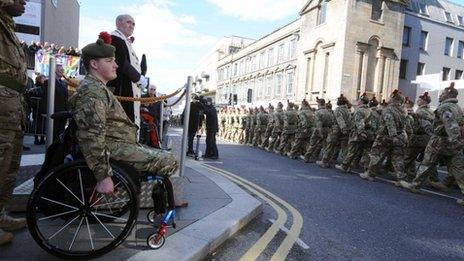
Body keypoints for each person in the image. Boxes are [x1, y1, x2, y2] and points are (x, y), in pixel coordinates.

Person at [70, 36, 178, 196]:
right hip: (112, 148)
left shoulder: (97, 88)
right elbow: (92, 136)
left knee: (166, 155)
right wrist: (102, 176)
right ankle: (158, 205)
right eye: (109, 61)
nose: (116, 65)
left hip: (118, 144)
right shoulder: (92, 93)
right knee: (169, 161)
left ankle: (159, 205)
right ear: (94, 64)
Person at [398, 83, 464, 206]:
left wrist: (456, 140)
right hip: (451, 142)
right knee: (458, 168)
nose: (440, 95)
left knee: (427, 163)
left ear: (448, 95)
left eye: (443, 93)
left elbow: (451, 125)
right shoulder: (458, 107)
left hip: (440, 140)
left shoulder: (445, 107)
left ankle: (415, 185)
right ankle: (441, 184)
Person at [0, 0, 28, 246]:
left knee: (9, 167)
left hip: (12, 108)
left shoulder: (8, 25)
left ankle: (0, 216)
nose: (25, 1)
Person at [107, 15, 148, 128]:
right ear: (118, 23)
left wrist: (141, 72)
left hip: (130, 90)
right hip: (122, 89)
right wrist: (138, 78)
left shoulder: (124, 41)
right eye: (129, 22)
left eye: (134, 24)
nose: (132, 26)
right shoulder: (115, 39)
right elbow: (121, 62)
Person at [360, 90, 407, 182]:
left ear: (393, 99)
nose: (389, 99)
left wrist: (393, 136)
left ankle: (370, 174)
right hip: (400, 135)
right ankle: (401, 178)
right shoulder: (403, 110)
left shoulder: (388, 110)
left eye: (390, 97)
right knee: (398, 158)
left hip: (386, 136)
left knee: (376, 155)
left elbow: (390, 123)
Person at [44, 64, 69, 142]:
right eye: (60, 70)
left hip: (63, 112)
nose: (62, 71)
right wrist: (45, 111)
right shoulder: (49, 82)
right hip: (54, 111)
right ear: (55, 71)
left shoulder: (63, 83)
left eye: (62, 70)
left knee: (60, 133)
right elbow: (45, 97)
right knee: (53, 133)